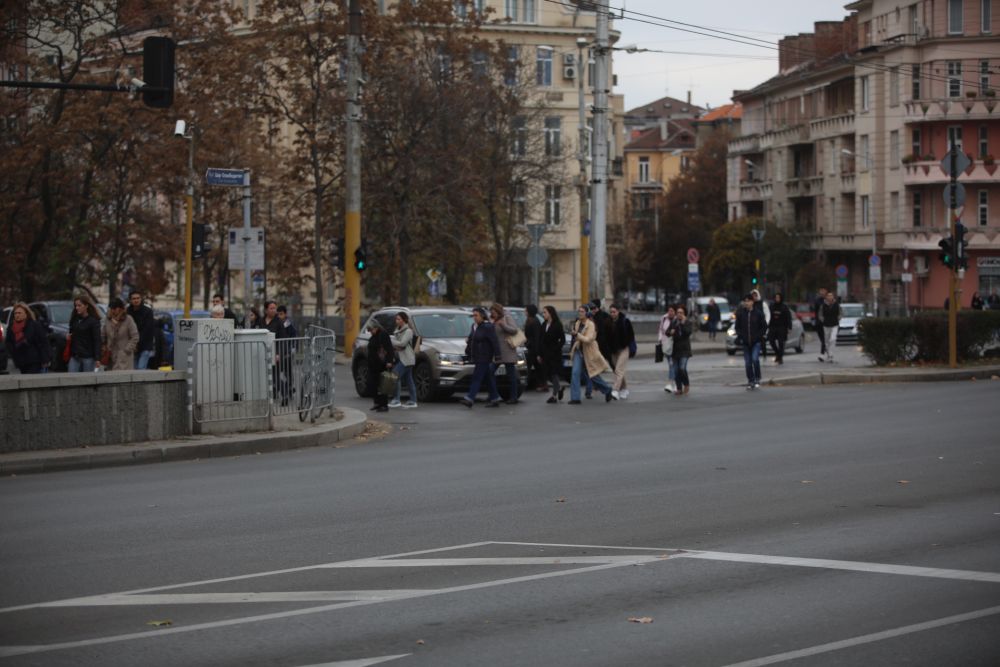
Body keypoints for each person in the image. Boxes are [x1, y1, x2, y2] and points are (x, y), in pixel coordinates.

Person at [568, 305, 616, 403]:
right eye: (579, 311)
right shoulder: (577, 323)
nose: (580, 313)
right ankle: (575, 398)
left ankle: (607, 390)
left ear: (587, 313)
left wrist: (577, 335)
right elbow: (578, 338)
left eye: (582, 311)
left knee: (593, 375)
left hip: (589, 352)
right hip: (579, 351)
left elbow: (588, 339)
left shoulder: (591, 324)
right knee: (575, 373)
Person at [460, 307, 502, 408]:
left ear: (482, 316)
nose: (474, 317)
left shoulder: (487, 327)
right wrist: (468, 346)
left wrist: (497, 355)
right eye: (473, 315)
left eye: (476, 315)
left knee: (477, 377)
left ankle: (470, 398)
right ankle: (495, 398)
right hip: (477, 356)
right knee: (488, 378)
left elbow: (494, 341)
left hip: (484, 356)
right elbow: (472, 339)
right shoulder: (474, 326)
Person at [4, 302, 50, 374]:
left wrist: (45, 359)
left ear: (26, 314)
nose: (17, 315)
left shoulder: (34, 325)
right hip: (20, 361)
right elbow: (8, 342)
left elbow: (43, 342)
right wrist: (13, 352)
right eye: (15, 313)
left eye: (19, 313)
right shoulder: (11, 327)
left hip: (34, 360)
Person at [489, 302, 521, 404]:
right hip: (497, 352)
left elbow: (514, 330)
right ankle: (494, 395)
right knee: (489, 372)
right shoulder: (492, 320)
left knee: (511, 376)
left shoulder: (506, 318)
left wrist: (503, 325)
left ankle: (513, 397)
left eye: (494, 312)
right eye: (491, 312)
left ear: (498, 311)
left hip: (507, 350)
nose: (492, 314)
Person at [264, 300, 294, 405]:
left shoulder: (278, 322)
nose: (274, 310)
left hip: (275, 353)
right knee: (267, 376)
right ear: (266, 310)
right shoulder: (261, 321)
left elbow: (283, 340)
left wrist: (278, 354)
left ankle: (285, 394)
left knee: (275, 376)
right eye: (271, 308)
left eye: (274, 308)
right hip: (262, 353)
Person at [735, 293, 767, 390]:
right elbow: (737, 327)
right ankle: (750, 380)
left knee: (755, 359)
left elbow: (764, 327)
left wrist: (759, 336)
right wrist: (741, 336)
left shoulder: (758, 313)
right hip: (745, 342)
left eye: (748, 301)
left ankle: (757, 378)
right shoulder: (741, 314)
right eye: (745, 301)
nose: (746, 303)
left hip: (756, 342)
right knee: (748, 363)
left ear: (752, 302)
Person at [389, 311, 418, 409]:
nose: (397, 321)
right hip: (403, 358)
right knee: (409, 380)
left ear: (404, 320)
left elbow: (402, 343)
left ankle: (396, 399)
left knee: (395, 375)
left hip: (407, 359)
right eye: (396, 319)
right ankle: (413, 401)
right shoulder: (398, 330)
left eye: (399, 319)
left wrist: (391, 340)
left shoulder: (408, 331)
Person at [67, 295, 103, 373]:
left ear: (86, 306)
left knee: (87, 380)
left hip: (88, 356)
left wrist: (97, 358)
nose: (77, 308)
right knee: (71, 380)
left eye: (79, 305)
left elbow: (97, 340)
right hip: (75, 355)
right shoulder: (74, 319)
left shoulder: (93, 321)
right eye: (76, 306)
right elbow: (71, 333)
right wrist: (69, 336)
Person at [101, 298, 138, 371]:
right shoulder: (107, 319)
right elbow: (103, 335)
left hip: (124, 356)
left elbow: (135, 337)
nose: (113, 310)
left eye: (115, 308)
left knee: (121, 377)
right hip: (110, 355)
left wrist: (126, 350)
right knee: (111, 377)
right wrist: (104, 346)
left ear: (121, 309)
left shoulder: (128, 319)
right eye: (111, 308)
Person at [366, 321, 395, 412]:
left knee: (382, 385)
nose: (370, 331)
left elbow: (389, 348)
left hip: (381, 364)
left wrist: (389, 361)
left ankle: (384, 405)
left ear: (376, 327)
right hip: (373, 365)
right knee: (373, 384)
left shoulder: (383, 335)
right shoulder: (374, 336)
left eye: (371, 330)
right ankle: (377, 403)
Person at [608, 303, 635, 399]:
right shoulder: (609, 322)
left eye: (614, 312)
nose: (612, 314)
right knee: (618, 371)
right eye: (611, 312)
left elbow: (631, 335)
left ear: (618, 312)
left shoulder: (625, 321)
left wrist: (625, 343)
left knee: (619, 369)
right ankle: (624, 389)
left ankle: (615, 390)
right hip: (613, 350)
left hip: (624, 349)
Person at [539, 306, 565, 404]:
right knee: (548, 374)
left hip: (554, 354)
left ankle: (554, 396)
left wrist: (556, 349)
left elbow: (562, 340)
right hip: (545, 354)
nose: (543, 314)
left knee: (554, 374)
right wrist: (539, 354)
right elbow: (541, 340)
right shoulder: (543, 324)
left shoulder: (557, 324)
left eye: (545, 312)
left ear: (550, 313)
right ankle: (558, 389)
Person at [667, 305, 693, 396]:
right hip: (675, 350)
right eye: (678, 312)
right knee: (676, 370)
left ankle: (686, 384)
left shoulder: (687, 322)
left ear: (684, 314)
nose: (679, 314)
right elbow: (667, 332)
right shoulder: (674, 322)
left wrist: (682, 323)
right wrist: (670, 332)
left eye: (681, 313)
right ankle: (679, 388)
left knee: (682, 368)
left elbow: (688, 332)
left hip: (685, 350)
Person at [127, 290, 156, 370]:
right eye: (134, 298)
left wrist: (136, 343)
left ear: (141, 299)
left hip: (145, 345)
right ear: (130, 300)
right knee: (133, 369)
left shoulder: (148, 311)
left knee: (141, 368)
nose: (136, 300)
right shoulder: (127, 312)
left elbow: (147, 330)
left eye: (138, 298)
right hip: (132, 346)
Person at [523, 304, 545, 392]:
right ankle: (541, 384)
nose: (525, 312)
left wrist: (537, 352)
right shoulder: (529, 320)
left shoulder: (535, 322)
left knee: (529, 366)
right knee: (537, 367)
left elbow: (536, 337)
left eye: (526, 310)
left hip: (533, 348)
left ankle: (527, 384)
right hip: (530, 347)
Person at [767, 293, 793, 365]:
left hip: (782, 327)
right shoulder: (771, 306)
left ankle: (780, 357)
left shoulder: (784, 307)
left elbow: (788, 317)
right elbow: (768, 316)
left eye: (778, 297)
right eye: (776, 297)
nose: (777, 299)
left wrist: (789, 327)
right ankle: (777, 353)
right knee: (771, 340)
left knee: (781, 343)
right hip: (772, 326)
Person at [590, 299, 615, 370]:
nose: (593, 310)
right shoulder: (592, 316)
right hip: (597, 343)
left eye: (594, 308)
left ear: (598, 307)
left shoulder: (603, 316)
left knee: (610, 361)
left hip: (604, 343)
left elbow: (609, 329)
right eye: (591, 309)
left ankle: (618, 374)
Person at [658, 306, 677, 393]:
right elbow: (661, 330)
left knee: (673, 364)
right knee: (671, 364)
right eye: (669, 310)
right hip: (666, 345)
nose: (670, 312)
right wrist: (660, 340)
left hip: (676, 345)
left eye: (672, 311)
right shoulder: (664, 318)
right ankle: (673, 384)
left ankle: (672, 383)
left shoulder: (677, 320)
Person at [819, 291, 841, 363]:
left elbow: (840, 313)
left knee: (833, 339)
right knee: (826, 341)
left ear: (833, 297)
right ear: (826, 297)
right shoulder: (823, 305)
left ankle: (831, 354)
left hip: (834, 324)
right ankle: (829, 355)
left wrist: (838, 318)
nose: (830, 297)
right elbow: (820, 314)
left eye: (831, 296)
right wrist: (823, 320)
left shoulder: (837, 305)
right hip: (826, 325)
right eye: (828, 296)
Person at [813, 288, 829, 357]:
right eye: (821, 292)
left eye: (824, 292)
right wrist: (816, 320)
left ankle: (822, 354)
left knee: (824, 340)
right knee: (822, 339)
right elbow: (815, 312)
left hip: (826, 323)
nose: (822, 293)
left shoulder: (828, 300)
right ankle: (827, 351)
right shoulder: (817, 301)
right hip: (819, 323)